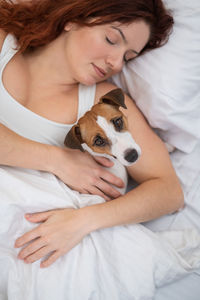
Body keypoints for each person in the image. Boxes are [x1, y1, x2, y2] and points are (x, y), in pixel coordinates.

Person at [0, 0, 186, 295]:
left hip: (36, 244)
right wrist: (58, 160)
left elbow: (168, 191)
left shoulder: (106, 103)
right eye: (112, 39)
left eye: (128, 56)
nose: (116, 62)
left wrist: (82, 221)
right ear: (74, 17)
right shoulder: (3, 43)